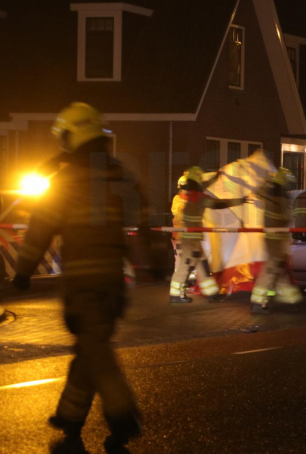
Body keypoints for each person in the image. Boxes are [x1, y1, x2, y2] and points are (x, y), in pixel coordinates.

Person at [13, 102, 158, 448]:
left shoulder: (64, 181)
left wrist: (22, 273)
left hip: (81, 283)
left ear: (72, 136)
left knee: (95, 349)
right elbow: (144, 220)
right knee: (90, 349)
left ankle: (122, 414)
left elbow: (39, 232)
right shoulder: (121, 176)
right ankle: (70, 423)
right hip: (113, 284)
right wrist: (157, 262)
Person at [168, 166, 248, 303]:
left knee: (203, 267)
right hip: (191, 240)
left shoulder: (188, 194)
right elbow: (218, 204)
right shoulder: (198, 197)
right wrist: (240, 201)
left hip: (192, 239)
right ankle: (175, 294)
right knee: (185, 266)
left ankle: (211, 293)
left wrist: (215, 178)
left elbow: (203, 185)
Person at [251, 167, 302, 312]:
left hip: (272, 239)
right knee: (271, 269)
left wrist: (267, 182)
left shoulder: (269, 194)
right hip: (276, 240)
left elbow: (257, 192)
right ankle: (257, 302)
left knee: (279, 269)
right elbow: (285, 219)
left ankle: (290, 299)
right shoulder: (282, 198)